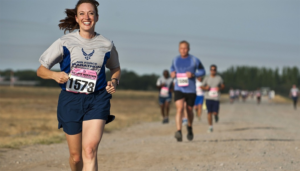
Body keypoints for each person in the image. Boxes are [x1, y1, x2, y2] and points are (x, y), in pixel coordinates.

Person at [36, 1, 121, 170]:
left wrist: (114, 81)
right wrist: (55, 75)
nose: (86, 17)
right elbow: (40, 71)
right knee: (76, 158)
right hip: (70, 100)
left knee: (89, 151)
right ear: (76, 18)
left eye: (90, 13)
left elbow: (115, 68)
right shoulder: (65, 42)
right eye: (82, 13)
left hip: (97, 99)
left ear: (96, 17)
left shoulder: (106, 44)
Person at [170, 40, 206, 142]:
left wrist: (194, 75)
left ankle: (189, 127)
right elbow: (172, 69)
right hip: (179, 88)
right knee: (180, 109)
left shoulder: (194, 60)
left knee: (189, 110)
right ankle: (179, 131)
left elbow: (203, 71)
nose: (183, 50)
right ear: (178, 49)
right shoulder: (175, 60)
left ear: (189, 49)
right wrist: (172, 73)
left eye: (185, 48)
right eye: (181, 48)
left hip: (190, 89)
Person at [201, 64, 224, 133]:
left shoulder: (219, 78)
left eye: (214, 70)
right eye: (212, 69)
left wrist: (219, 88)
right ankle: (210, 127)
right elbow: (201, 86)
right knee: (209, 112)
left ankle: (216, 116)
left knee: (215, 112)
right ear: (210, 70)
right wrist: (206, 88)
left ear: (216, 71)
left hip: (216, 98)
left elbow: (223, 86)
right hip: (208, 97)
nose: (213, 71)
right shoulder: (206, 78)